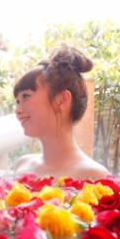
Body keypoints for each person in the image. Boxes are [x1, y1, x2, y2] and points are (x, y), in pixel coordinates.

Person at [14, 44, 109, 181]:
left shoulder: (94, 176)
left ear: (62, 100)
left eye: (26, 96)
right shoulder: (23, 166)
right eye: (17, 101)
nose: (18, 110)